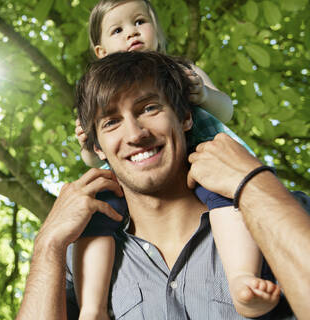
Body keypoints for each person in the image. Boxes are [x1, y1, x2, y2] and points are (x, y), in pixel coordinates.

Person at [16, 51, 310, 320]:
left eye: (149, 108)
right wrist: (47, 244)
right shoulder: (77, 264)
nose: (135, 134)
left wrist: (254, 182)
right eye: (111, 122)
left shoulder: (276, 209)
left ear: (184, 117)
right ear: (98, 149)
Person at [73, 1, 277, 319]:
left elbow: (225, 109)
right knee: (96, 216)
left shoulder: (182, 69)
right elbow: (90, 157)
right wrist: (88, 141)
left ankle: (240, 279)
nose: (132, 33)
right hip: (126, 180)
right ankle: (92, 307)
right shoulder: (98, 93)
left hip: (203, 159)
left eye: (140, 21)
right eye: (118, 30)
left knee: (226, 200)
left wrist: (204, 94)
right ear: (101, 51)